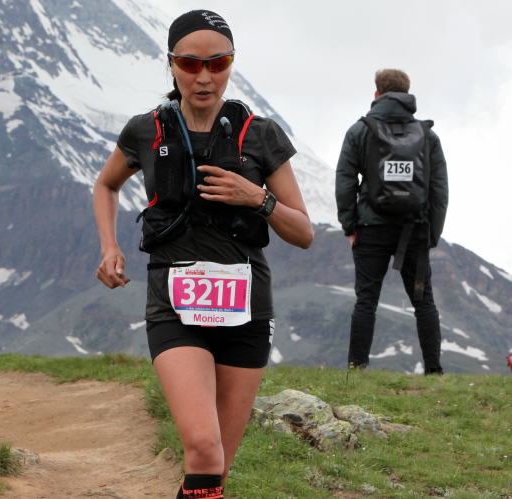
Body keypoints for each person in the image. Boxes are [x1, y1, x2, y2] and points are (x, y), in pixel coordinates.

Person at [93, 10, 313, 498]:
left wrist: (256, 198)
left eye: (218, 63)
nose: (205, 76)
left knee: (215, 475)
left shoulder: (261, 135)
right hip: (175, 308)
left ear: (231, 63)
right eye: (190, 64)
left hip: (246, 311)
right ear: (171, 64)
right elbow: (106, 185)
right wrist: (109, 246)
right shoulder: (146, 130)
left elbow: (303, 233)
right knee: (204, 450)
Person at [335, 69, 448, 375]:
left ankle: (357, 370)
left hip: (371, 228)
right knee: (424, 302)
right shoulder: (427, 135)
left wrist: (350, 226)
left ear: (377, 94)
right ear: (407, 95)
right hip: (415, 228)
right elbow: (439, 190)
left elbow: (345, 181)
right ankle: (434, 372)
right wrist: (432, 234)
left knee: (366, 300)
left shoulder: (360, 131)